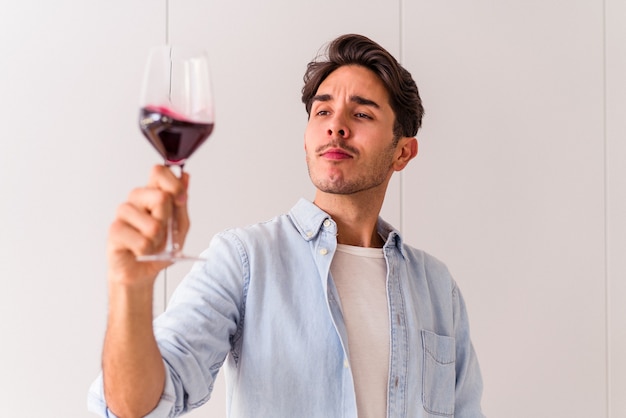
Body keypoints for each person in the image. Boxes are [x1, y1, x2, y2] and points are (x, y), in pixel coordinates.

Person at [88, 33, 484, 418]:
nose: (336, 126)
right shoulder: (243, 259)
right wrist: (130, 290)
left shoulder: (436, 287)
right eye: (322, 111)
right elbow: (137, 406)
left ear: (403, 152)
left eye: (362, 113)